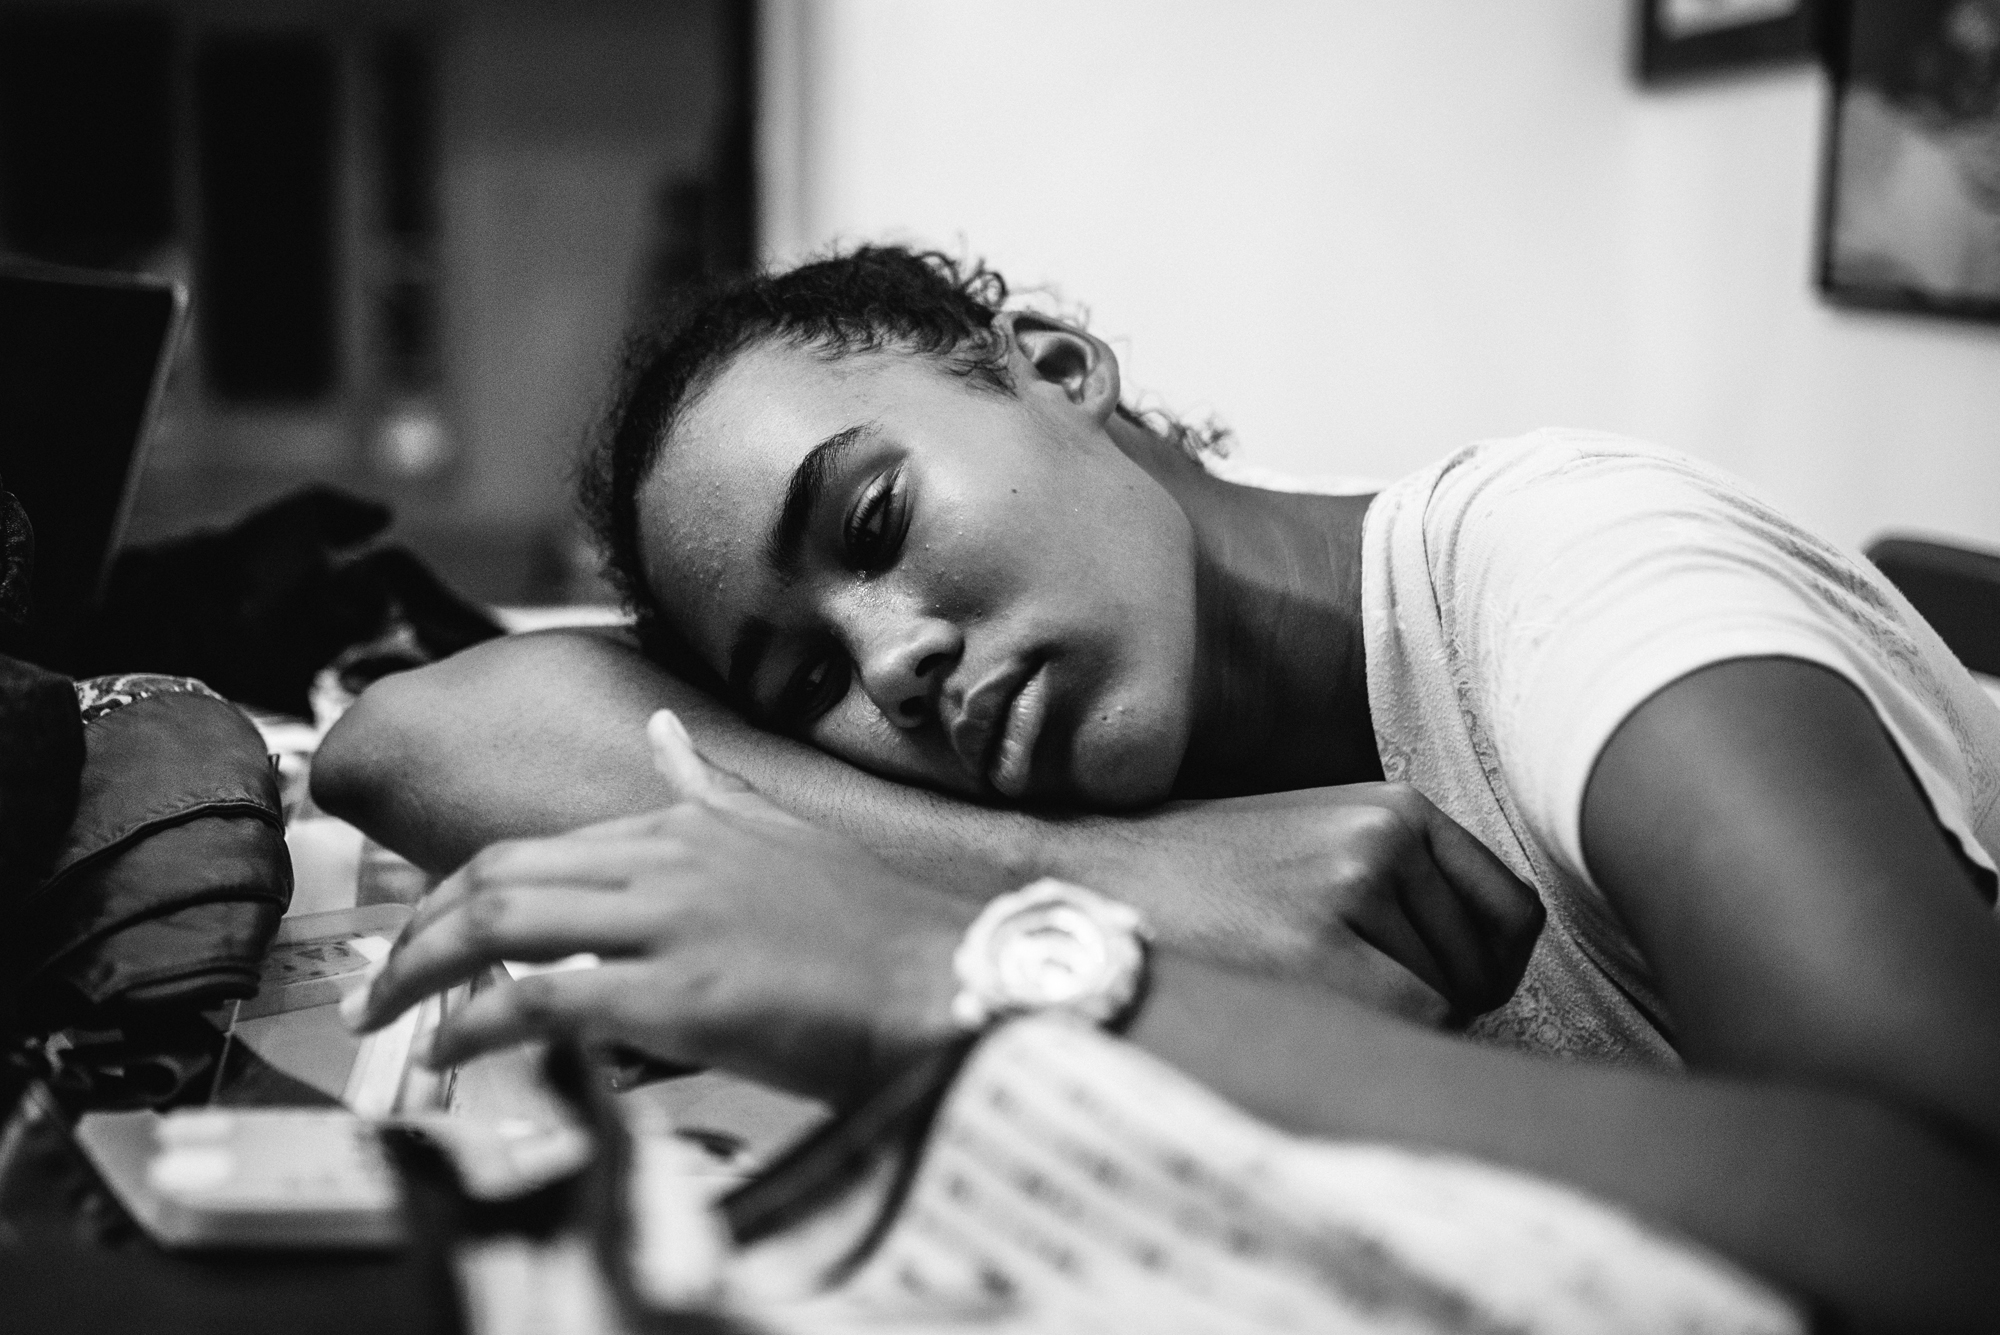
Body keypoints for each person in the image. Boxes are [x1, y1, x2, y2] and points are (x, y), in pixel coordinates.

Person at [318, 247, 2000, 1331]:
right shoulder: (1093, 779)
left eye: (876, 524)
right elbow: (423, 735)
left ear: (1053, 365)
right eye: (807, 683)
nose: (890, 665)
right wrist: (1131, 887)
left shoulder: (1566, 567)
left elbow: (1950, 1219)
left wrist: (966, 970)